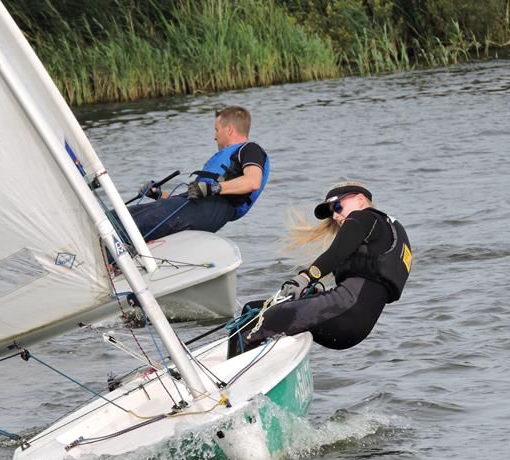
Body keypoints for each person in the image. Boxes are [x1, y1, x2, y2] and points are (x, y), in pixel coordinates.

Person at [239, 182, 411, 352]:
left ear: (359, 200)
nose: (335, 216)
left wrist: (304, 279)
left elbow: (336, 254)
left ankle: (233, 373)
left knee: (269, 317)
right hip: (354, 327)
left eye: (338, 206)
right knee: (253, 309)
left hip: (345, 315)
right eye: (331, 212)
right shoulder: (391, 232)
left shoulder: (364, 217)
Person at [126, 106, 269, 242]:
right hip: (199, 207)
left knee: (134, 223)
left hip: (213, 209)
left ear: (230, 129)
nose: (215, 136)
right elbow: (189, 198)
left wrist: (213, 188)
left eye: (216, 129)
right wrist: (157, 195)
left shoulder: (251, 149)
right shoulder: (225, 162)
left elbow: (252, 181)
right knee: (126, 214)